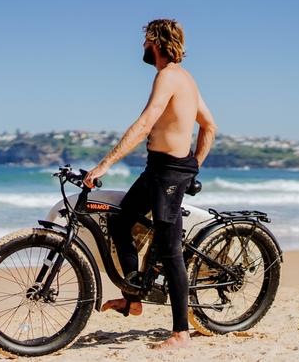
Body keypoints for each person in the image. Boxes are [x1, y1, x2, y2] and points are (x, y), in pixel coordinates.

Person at [83, 19, 217, 349]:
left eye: (145, 40)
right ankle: (133, 299)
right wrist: (195, 165)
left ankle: (181, 333)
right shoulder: (186, 79)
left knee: (171, 250)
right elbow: (210, 127)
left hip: (170, 173)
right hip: (158, 169)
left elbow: (145, 123)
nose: (142, 46)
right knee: (121, 220)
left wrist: (103, 165)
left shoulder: (169, 76)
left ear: (155, 43)